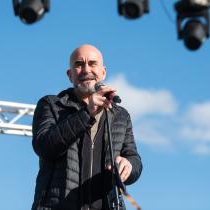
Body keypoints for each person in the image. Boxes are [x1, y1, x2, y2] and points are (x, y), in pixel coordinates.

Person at [31, 44, 142, 210]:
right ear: (70, 75)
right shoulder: (51, 105)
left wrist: (129, 165)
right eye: (78, 64)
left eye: (92, 63)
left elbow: (134, 159)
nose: (86, 69)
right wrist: (86, 113)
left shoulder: (120, 115)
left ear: (103, 72)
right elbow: (44, 147)